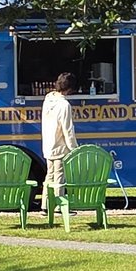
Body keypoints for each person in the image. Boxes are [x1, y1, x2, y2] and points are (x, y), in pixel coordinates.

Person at [41, 72, 78, 206]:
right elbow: (67, 129)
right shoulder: (64, 105)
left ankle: (45, 205)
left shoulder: (48, 99)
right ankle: (58, 205)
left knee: (49, 176)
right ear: (70, 88)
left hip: (48, 144)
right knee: (59, 179)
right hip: (60, 146)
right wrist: (74, 149)